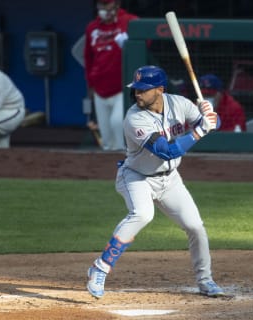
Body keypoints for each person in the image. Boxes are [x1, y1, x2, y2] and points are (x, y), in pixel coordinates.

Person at [86, 65, 225, 299]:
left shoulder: (180, 104)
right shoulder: (134, 118)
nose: (137, 94)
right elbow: (166, 152)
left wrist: (212, 116)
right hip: (137, 177)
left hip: (170, 181)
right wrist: (200, 131)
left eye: (143, 90)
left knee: (196, 227)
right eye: (136, 90)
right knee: (142, 214)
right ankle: (100, 268)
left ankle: (205, 280)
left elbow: (213, 124)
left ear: (160, 89)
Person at [83, 0, 138, 151]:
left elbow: (146, 44)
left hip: (122, 86)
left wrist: (129, 44)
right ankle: (107, 172)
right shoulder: (92, 27)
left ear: (116, 4)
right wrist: (90, 84)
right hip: (100, 87)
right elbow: (88, 58)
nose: (103, 9)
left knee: (117, 123)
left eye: (106, 4)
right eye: (100, 5)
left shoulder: (130, 21)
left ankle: (128, 167)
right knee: (106, 138)